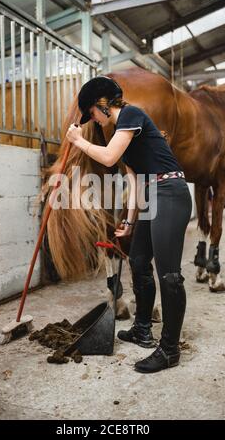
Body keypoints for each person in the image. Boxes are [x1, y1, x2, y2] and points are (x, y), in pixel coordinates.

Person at [66, 76, 192, 373]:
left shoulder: (131, 114)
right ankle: (142, 329)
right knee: (137, 259)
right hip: (152, 195)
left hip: (171, 193)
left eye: (93, 114)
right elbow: (136, 183)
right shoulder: (123, 136)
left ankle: (170, 350)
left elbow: (108, 158)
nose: (94, 120)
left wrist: (78, 140)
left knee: (170, 275)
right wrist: (129, 221)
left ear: (103, 104)